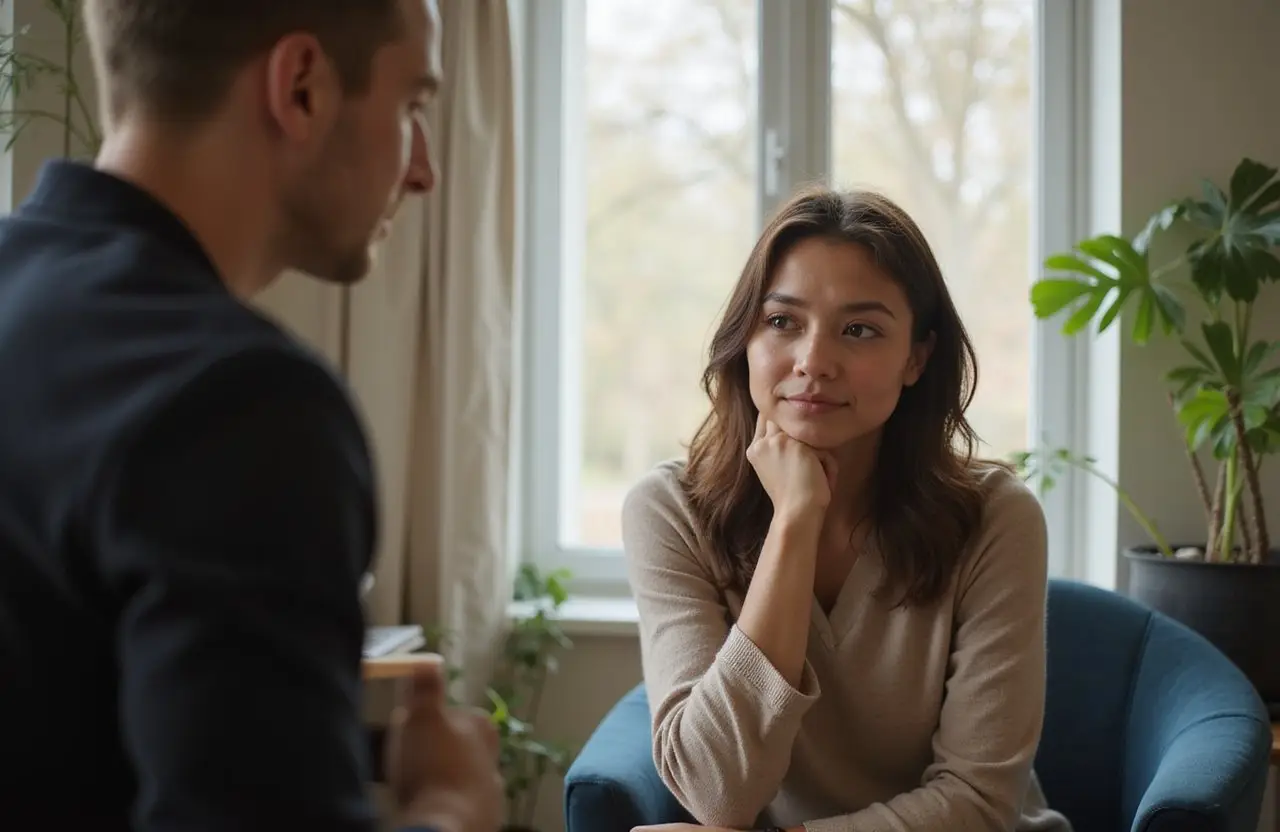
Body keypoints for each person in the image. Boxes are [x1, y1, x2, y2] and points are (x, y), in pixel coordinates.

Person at [0, 2, 502, 831]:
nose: (424, 172)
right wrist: (450, 805)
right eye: (412, 105)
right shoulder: (245, 407)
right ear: (301, 87)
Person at [621, 187, 1073, 832]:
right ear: (744, 339)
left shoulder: (996, 517)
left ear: (916, 357)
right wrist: (794, 521)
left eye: (859, 330)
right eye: (782, 322)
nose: (813, 362)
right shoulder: (669, 510)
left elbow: (979, 802)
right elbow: (716, 794)